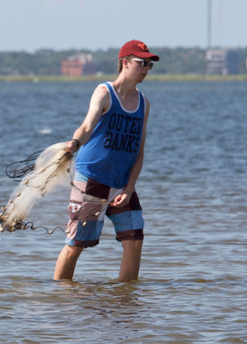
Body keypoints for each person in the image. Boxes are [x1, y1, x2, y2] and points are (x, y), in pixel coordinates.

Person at [53, 40, 159, 282]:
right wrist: (75, 143)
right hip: (92, 181)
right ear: (125, 63)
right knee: (77, 243)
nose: (146, 69)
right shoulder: (104, 93)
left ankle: (125, 300)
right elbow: (87, 126)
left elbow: (139, 151)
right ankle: (60, 295)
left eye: (149, 65)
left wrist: (130, 188)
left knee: (134, 241)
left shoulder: (144, 104)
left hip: (122, 185)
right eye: (142, 63)